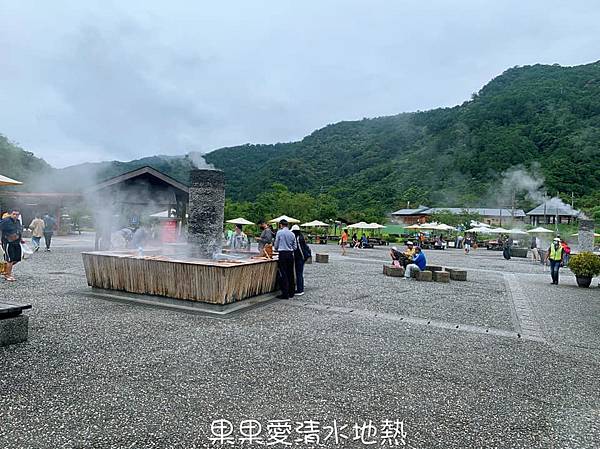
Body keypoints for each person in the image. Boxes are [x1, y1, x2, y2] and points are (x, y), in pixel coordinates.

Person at [274, 219, 297, 299]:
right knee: (290, 273)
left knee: (283, 273)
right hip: (290, 254)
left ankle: (285, 293)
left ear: (281, 225)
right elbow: (295, 246)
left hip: (282, 254)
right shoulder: (292, 234)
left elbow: (276, 244)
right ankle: (291, 292)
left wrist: (276, 249)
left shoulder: (279, 232)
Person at [1, 210, 24, 282]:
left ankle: (5, 269)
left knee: (17, 258)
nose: (15, 216)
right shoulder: (5, 221)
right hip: (8, 242)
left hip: (16, 242)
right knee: (10, 259)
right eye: (14, 214)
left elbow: (19, 231)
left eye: (17, 214)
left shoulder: (17, 221)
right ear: (10, 214)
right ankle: (8, 275)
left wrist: (21, 239)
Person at [291, 224, 311, 296]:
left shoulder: (298, 238)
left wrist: (302, 257)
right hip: (302, 258)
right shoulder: (301, 236)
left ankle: (300, 290)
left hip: (300, 258)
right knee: (299, 273)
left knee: (299, 273)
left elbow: (299, 249)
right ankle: (300, 288)